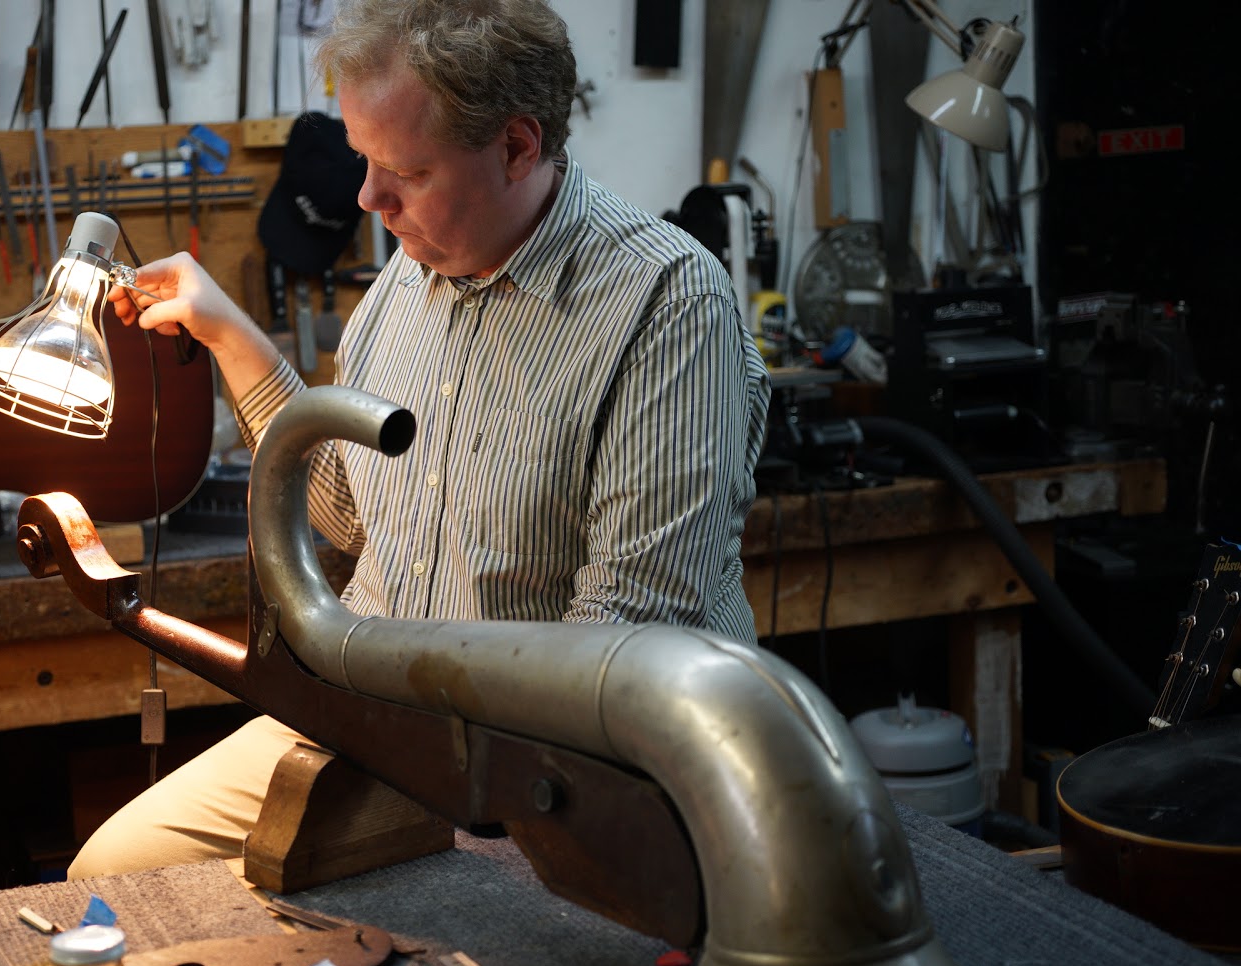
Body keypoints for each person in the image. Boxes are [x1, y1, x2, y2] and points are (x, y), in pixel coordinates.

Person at [68, 0, 771, 878]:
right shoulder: (411, 273)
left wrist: (453, 805)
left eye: (404, 168)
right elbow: (349, 514)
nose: (369, 199)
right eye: (365, 161)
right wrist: (232, 337)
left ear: (517, 147)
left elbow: (624, 647)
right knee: (114, 872)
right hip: (378, 729)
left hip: (569, 773)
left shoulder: (667, 303)